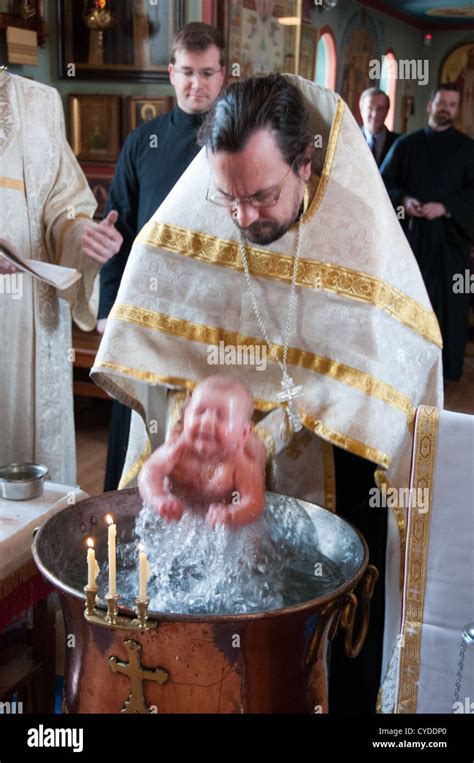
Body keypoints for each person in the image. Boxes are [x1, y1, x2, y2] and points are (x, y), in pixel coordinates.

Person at [92, 74, 443, 712]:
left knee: (322, 676)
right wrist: (190, 428)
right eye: (228, 200)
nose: (244, 218)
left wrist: (266, 433)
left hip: (333, 488)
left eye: (262, 196)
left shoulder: (359, 237)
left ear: (305, 163)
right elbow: (153, 337)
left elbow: (393, 379)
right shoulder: (200, 209)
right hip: (210, 496)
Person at [97, 22, 226, 491]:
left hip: (214, 314)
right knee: (140, 432)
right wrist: (109, 311)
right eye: (188, 72)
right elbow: (118, 229)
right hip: (148, 312)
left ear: (223, 74)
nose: (198, 84)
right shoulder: (142, 142)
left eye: (208, 73)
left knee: (203, 433)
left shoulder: (238, 141)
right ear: (171, 73)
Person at [0, 69, 121, 483]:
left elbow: (65, 207)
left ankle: (32, 542)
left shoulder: (39, 104)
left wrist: (86, 237)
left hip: (29, 312)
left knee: (31, 470)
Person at [381, 82, 474, 381]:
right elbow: (383, 183)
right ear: (429, 106)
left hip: (450, 245)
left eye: (452, 104)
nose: (446, 108)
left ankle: (447, 372)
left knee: (450, 309)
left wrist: (446, 208)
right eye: (441, 102)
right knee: (410, 305)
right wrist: (404, 200)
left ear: (457, 110)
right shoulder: (406, 145)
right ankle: (404, 368)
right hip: (412, 242)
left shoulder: (469, 150)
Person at [138, 375, 266, 528]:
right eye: (199, 411)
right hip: (181, 519)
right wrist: (158, 498)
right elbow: (149, 472)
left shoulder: (240, 462)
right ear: (185, 416)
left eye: (221, 416)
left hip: (225, 529)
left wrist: (232, 514)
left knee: (250, 541)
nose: (207, 421)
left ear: (244, 432)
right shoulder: (177, 449)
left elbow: (254, 503)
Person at [359, 87, 399, 167]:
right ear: (361, 110)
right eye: (370, 108)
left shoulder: (399, 143)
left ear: (387, 112)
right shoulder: (349, 140)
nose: (374, 114)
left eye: (380, 109)